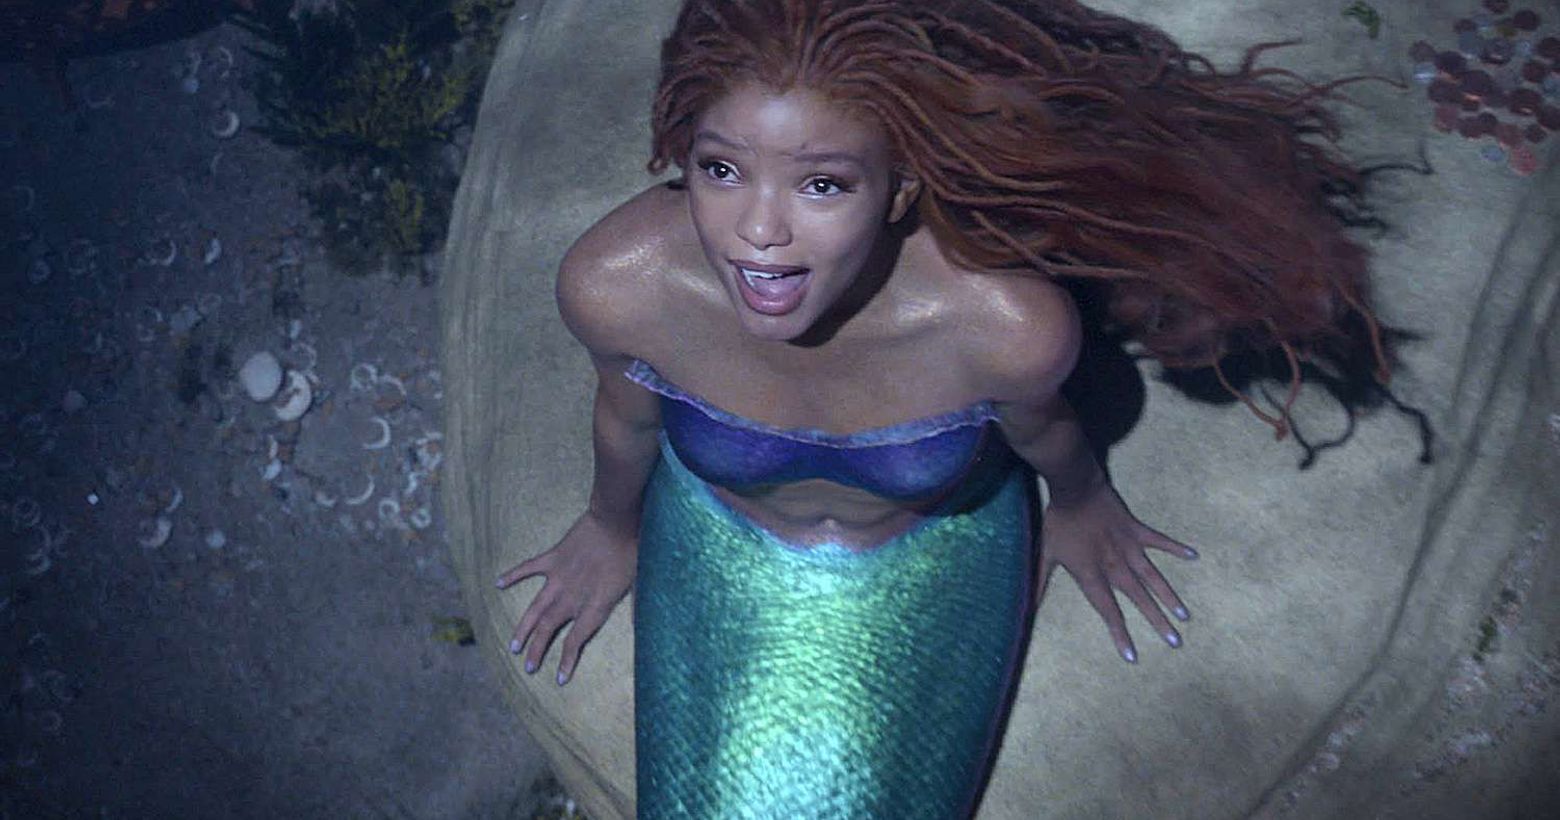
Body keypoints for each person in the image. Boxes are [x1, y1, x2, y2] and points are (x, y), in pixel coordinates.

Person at [494, 0, 1393, 816]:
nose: (758, 230)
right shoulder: (619, 284)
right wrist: (610, 525)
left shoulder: (1000, 326)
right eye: (721, 169)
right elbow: (626, 417)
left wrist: (1083, 504)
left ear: (901, 190)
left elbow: (1046, 429)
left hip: (931, 549)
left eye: (821, 184)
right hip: (718, 539)